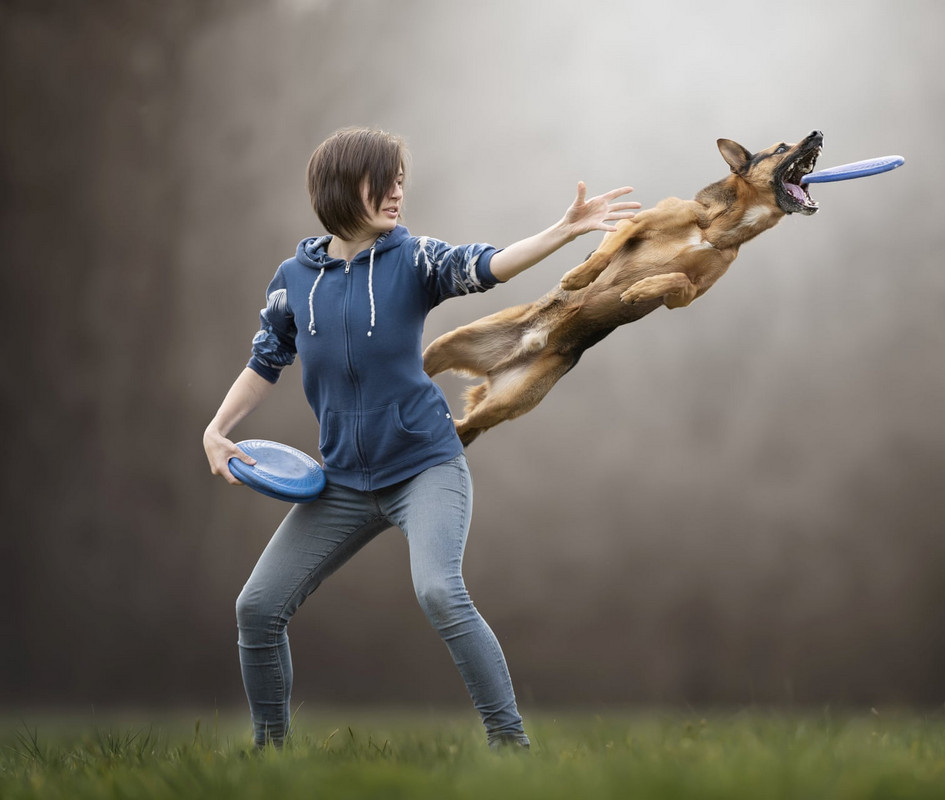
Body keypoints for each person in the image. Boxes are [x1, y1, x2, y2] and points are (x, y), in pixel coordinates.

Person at [202, 126, 639, 750]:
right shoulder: (293, 279)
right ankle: (271, 754)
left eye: (401, 180)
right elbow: (265, 362)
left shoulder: (414, 259)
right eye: (383, 179)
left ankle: (510, 746)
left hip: (424, 469)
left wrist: (562, 231)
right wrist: (218, 430)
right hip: (343, 484)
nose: (397, 191)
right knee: (257, 608)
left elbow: (486, 265)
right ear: (339, 187)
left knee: (438, 589)